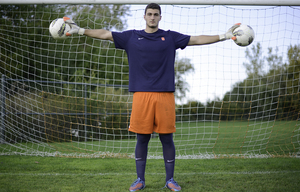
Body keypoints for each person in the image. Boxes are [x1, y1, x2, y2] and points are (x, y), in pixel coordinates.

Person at [64, 3, 240, 191]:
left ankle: (170, 180)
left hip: (165, 95)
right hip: (141, 95)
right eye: (150, 14)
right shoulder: (131, 37)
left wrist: (225, 36)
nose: (153, 17)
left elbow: (196, 40)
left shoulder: (170, 37)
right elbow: (105, 34)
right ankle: (140, 179)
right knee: (142, 138)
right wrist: (80, 30)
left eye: (156, 14)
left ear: (160, 17)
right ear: (144, 16)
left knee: (167, 138)